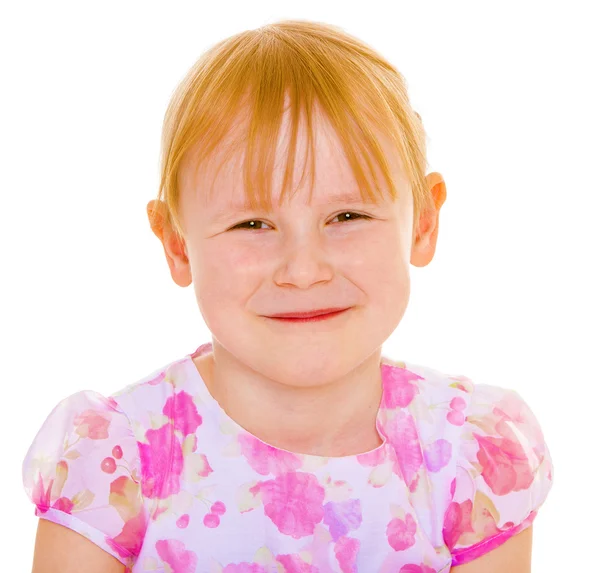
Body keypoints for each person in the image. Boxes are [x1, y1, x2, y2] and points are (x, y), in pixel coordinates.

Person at [22, 18, 553, 573]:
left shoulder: (469, 457)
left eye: (348, 216)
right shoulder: (119, 461)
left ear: (422, 222)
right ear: (177, 244)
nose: (303, 270)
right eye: (252, 223)